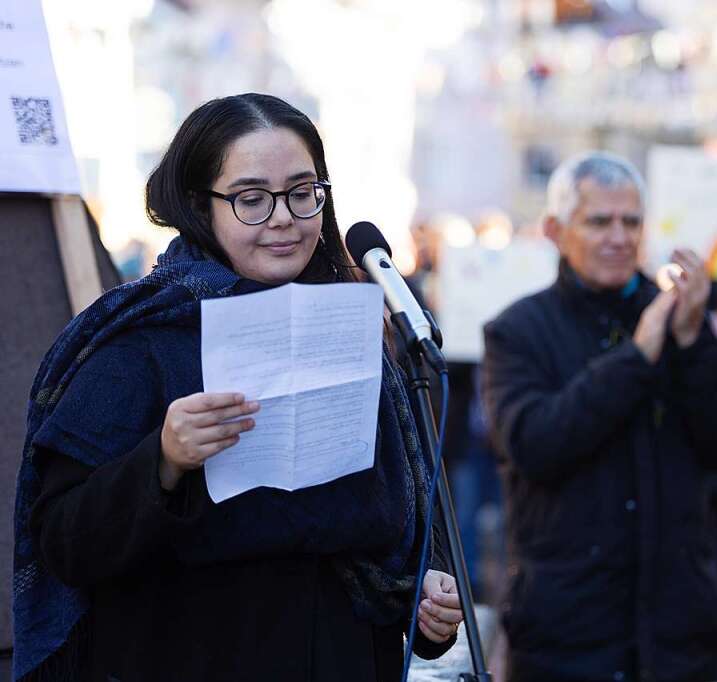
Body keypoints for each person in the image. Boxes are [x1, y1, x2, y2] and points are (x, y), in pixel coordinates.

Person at [13, 93, 463, 682]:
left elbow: (401, 524)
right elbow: (62, 542)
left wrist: (428, 600)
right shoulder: (138, 341)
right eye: (252, 199)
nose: (283, 217)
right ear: (201, 207)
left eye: (303, 193)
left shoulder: (352, 328)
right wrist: (164, 461)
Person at [481, 151, 717, 682]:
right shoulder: (517, 331)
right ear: (557, 231)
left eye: (631, 222)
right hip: (567, 635)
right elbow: (536, 444)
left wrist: (693, 342)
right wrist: (634, 360)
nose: (619, 237)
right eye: (599, 221)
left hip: (678, 631)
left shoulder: (678, 315)